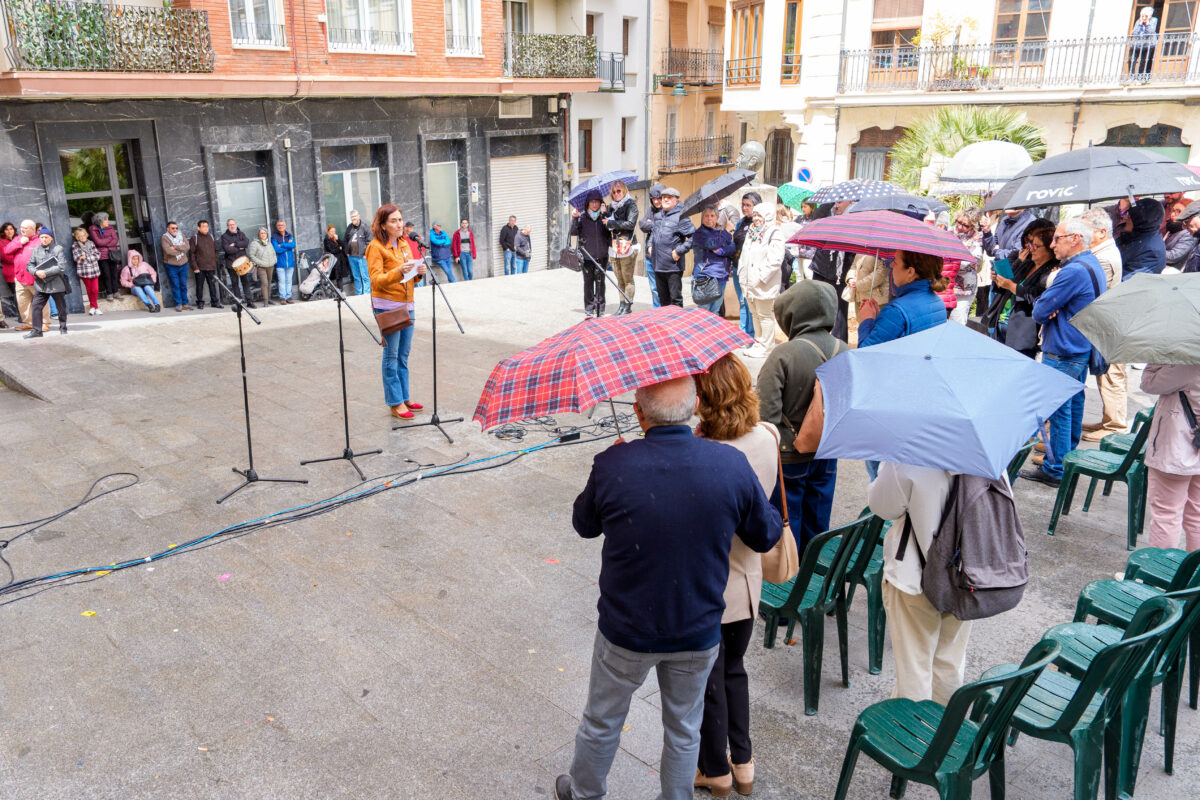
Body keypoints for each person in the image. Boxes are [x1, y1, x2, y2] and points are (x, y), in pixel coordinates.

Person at [555, 376, 782, 800]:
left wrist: (616, 466)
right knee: (684, 727)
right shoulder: (729, 465)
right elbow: (765, 533)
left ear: (639, 414)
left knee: (602, 718)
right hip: (697, 627)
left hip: (626, 628)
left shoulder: (613, 464)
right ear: (695, 408)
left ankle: (584, 792)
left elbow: (584, 525)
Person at [693, 354, 778, 798]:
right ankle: (743, 764)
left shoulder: (705, 453)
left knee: (710, 680)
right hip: (748, 580)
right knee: (735, 672)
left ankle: (715, 770)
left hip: (709, 584)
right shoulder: (768, 436)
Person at [868, 460, 970, 703]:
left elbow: (882, 506)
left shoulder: (909, 456)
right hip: (968, 573)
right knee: (950, 659)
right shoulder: (987, 454)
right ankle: (944, 728)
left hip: (916, 573)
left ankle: (912, 735)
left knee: (914, 668)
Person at [758, 280, 848, 551]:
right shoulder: (844, 350)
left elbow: (766, 416)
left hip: (789, 456)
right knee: (818, 528)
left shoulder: (784, 354)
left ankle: (789, 588)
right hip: (827, 451)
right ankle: (814, 582)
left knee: (787, 533)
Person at [1020, 217, 1107, 487]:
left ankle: (1056, 468)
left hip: (1065, 350)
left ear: (1075, 239)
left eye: (1057, 238)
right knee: (1071, 406)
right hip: (1077, 347)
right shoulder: (1091, 263)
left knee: (1059, 410)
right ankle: (1063, 463)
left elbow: (1040, 310)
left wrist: (1049, 306)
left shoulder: (1074, 270)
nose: (1052, 243)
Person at [366, 204, 427, 421]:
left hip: (407, 304)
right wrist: (396, 271)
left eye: (400, 220)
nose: (399, 224)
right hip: (387, 305)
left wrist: (418, 273)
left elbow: (407, 274)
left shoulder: (404, 244)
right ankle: (395, 402)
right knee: (391, 355)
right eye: (394, 221)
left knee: (403, 354)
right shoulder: (375, 247)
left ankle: (405, 396)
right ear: (383, 224)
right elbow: (375, 280)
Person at [1081, 208, 1129, 443]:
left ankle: (1115, 425)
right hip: (1107, 322)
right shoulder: (1101, 250)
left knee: (1112, 375)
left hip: (1110, 325)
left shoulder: (1104, 255)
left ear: (1101, 231)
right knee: (1107, 374)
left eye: (1087, 229)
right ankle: (1108, 419)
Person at [1141, 364, 1200, 549]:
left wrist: (1157, 359)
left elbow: (1149, 383)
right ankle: (1195, 577)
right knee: (1197, 516)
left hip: (1177, 449)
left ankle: (1159, 576)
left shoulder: (1189, 363)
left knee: (1166, 514)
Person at [988, 220, 1058, 360]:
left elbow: (1038, 297)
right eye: (1029, 241)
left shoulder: (1053, 270)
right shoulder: (1027, 262)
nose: (1030, 247)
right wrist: (998, 280)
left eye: (1035, 245)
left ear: (1049, 248)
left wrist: (1011, 286)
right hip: (1001, 323)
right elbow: (1006, 283)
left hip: (1022, 333)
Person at [857, 249, 948, 349]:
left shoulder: (896, 311)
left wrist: (866, 320)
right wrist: (880, 320)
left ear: (910, 272)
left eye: (895, 261)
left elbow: (866, 353)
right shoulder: (938, 302)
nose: (891, 265)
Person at [738, 203, 784, 358]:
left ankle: (767, 346)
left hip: (763, 283)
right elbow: (745, 253)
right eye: (755, 215)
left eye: (760, 215)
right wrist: (741, 271)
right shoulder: (752, 231)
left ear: (768, 216)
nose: (756, 218)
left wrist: (761, 277)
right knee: (754, 313)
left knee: (764, 314)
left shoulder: (774, 233)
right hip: (749, 281)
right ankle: (758, 342)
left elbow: (775, 260)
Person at [810, 201, 853, 341]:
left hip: (842, 272)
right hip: (821, 267)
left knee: (839, 311)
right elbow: (816, 220)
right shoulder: (827, 213)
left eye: (840, 202)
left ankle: (839, 345)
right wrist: (828, 204)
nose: (837, 204)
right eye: (836, 201)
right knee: (817, 306)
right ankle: (818, 341)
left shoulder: (856, 216)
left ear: (851, 201)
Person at [647, 187, 694, 308]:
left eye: (669, 197)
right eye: (664, 197)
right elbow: (653, 233)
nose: (665, 200)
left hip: (673, 267)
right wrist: (650, 245)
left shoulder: (681, 217)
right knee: (663, 301)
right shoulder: (658, 216)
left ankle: (676, 326)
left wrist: (679, 251)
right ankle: (665, 326)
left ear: (676, 201)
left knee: (675, 301)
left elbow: (694, 237)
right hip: (658, 265)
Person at [22, 227, 69, 338]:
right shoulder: (36, 249)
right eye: (41, 237)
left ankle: (63, 328)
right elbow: (29, 265)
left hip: (56, 284)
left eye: (46, 237)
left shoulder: (58, 249)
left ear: (51, 238)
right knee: (36, 306)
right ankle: (37, 331)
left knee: (61, 308)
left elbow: (61, 266)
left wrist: (45, 272)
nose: (43, 239)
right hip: (41, 285)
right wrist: (36, 272)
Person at [571, 193, 612, 316]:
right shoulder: (582, 217)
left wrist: (605, 215)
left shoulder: (604, 216)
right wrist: (574, 217)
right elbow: (573, 232)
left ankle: (600, 307)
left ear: (601, 203)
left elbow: (611, 232)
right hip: (587, 256)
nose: (594, 204)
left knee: (600, 282)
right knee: (588, 283)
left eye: (597, 202)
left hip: (602, 256)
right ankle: (589, 307)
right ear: (587, 203)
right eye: (592, 202)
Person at [691, 206, 736, 314]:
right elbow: (713, 244)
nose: (709, 218)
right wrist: (727, 231)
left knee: (715, 311)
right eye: (706, 216)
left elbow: (732, 248)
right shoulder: (699, 234)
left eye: (712, 216)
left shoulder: (719, 233)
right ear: (702, 218)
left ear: (717, 218)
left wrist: (721, 251)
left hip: (721, 276)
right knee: (703, 311)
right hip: (706, 277)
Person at [7, 219, 47, 332]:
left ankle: (44, 323)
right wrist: (19, 243)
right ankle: (29, 323)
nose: (22, 230)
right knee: (23, 302)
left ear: (33, 230)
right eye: (21, 227)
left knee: (41, 302)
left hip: (36, 278)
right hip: (20, 277)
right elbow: (7, 250)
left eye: (25, 228)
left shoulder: (39, 240)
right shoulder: (18, 239)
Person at [729, 193, 760, 335]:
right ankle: (743, 332)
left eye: (748, 205)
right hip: (737, 268)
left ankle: (752, 333)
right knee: (742, 301)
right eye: (743, 204)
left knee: (750, 302)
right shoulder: (741, 223)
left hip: (751, 270)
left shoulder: (758, 224)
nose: (744, 207)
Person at [605, 181, 639, 314]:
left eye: (618, 191)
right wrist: (604, 215)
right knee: (619, 279)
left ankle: (628, 305)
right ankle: (621, 305)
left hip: (627, 246)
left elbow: (630, 224)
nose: (616, 194)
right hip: (614, 247)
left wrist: (612, 222)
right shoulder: (611, 207)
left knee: (627, 279)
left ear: (624, 190)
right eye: (613, 192)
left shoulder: (631, 205)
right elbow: (607, 225)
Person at [948, 209, 985, 325]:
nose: (959, 226)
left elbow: (973, 260)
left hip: (964, 291)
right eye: (958, 222)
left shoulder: (977, 237)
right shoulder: (949, 231)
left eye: (965, 225)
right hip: (945, 286)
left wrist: (951, 261)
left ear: (972, 226)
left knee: (957, 324)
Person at [1116, 197, 1166, 279]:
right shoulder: (1137, 236)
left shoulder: (1150, 251)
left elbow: (1129, 281)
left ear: (1140, 220)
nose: (1125, 218)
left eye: (1129, 216)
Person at [639, 183, 665, 306]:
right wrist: (654, 225)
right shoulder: (651, 210)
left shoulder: (669, 212)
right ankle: (657, 311)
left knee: (664, 288)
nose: (656, 201)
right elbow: (642, 224)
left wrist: (652, 224)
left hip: (664, 257)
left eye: (659, 198)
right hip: (650, 256)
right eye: (654, 199)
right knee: (654, 289)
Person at [219, 219, 254, 303]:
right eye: (230, 225)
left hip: (242, 263)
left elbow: (246, 243)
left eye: (233, 224)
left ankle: (249, 301)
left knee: (245, 282)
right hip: (231, 263)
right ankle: (239, 302)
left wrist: (234, 245)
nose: (232, 226)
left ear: (236, 224)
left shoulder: (241, 234)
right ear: (227, 226)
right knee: (235, 284)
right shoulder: (224, 236)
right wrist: (239, 247)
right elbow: (228, 249)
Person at [88, 212, 120, 300]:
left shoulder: (110, 227)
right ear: (100, 221)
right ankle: (109, 293)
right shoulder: (93, 229)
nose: (108, 221)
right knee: (106, 274)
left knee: (114, 273)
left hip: (112, 254)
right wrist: (109, 240)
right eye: (106, 219)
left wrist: (105, 243)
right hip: (102, 255)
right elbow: (98, 242)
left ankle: (116, 291)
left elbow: (116, 240)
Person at [160, 220, 191, 311]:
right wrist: (181, 248)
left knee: (183, 284)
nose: (175, 230)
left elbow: (187, 247)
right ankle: (178, 304)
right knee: (175, 285)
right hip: (171, 265)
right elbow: (168, 251)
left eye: (176, 228)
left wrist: (175, 247)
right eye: (173, 228)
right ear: (168, 229)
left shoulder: (181, 235)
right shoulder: (165, 238)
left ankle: (185, 303)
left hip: (183, 263)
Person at [190, 220, 221, 309]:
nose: (205, 228)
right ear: (198, 228)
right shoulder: (194, 238)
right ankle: (200, 302)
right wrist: (195, 267)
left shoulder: (211, 237)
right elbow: (192, 254)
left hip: (211, 266)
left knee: (212, 285)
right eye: (203, 226)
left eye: (207, 226)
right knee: (199, 286)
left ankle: (214, 302)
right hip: (200, 267)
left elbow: (216, 250)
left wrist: (214, 261)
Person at [70, 227, 101, 316]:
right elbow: (76, 259)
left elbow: (98, 255)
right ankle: (94, 307)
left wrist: (86, 257)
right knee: (89, 289)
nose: (82, 237)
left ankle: (94, 306)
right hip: (84, 271)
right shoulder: (75, 245)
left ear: (86, 235)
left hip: (94, 270)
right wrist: (87, 257)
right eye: (80, 236)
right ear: (77, 237)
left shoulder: (91, 243)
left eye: (84, 235)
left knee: (95, 289)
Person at [343, 210, 372, 295]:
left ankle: (366, 294)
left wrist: (365, 253)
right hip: (352, 256)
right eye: (352, 217)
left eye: (355, 216)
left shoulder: (364, 227)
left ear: (358, 216)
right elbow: (345, 240)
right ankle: (359, 294)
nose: (353, 219)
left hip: (362, 257)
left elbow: (369, 241)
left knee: (365, 276)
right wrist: (347, 252)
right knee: (356, 277)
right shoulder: (349, 228)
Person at [247, 228, 277, 305]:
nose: (263, 235)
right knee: (265, 283)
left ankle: (269, 298)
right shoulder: (255, 243)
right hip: (261, 267)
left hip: (270, 266)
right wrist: (260, 263)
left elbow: (273, 253)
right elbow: (251, 255)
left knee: (269, 282)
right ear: (259, 235)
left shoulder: (269, 243)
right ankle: (265, 301)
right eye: (262, 233)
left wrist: (274, 260)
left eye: (265, 233)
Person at [1164, 201, 1198, 269]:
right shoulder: (1172, 229)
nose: (1173, 215)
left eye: (1179, 211)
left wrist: (1153, 251)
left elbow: (1174, 257)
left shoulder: (1189, 233)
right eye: (1173, 210)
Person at [1128, 6, 1158, 82]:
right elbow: (1134, 33)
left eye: (1146, 16)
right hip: (1136, 45)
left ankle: (1140, 78)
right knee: (1131, 60)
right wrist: (1140, 24)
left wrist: (1147, 24)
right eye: (1142, 16)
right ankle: (1131, 77)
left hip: (1147, 45)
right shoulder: (1138, 21)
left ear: (1150, 16)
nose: (1144, 18)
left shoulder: (1154, 21)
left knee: (1143, 61)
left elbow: (1151, 32)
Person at [271, 220, 296, 304]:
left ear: (285, 226)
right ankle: (283, 297)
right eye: (279, 225)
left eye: (282, 225)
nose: (280, 226)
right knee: (282, 281)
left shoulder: (289, 235)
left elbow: (293, 245)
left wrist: (282, 244)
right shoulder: (274, 236)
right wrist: (288, 246)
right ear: (277, 227)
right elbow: (276, 249)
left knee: (289, 281)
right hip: (280, 263)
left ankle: (289, 296)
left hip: (290, 262)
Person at [0, 221, 15, 326]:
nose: (9, 231)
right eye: (7, 229)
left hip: (23, 272)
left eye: (11, 229)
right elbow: (6, 257)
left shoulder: (17, 240)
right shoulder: (2, 242)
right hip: (10, 273)